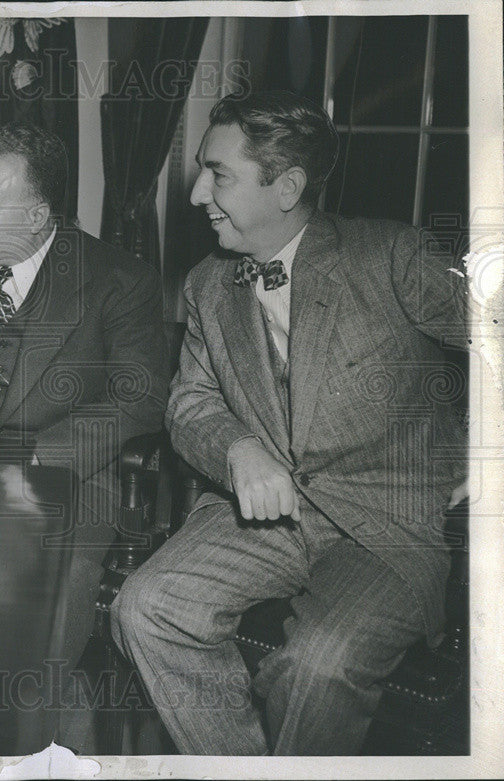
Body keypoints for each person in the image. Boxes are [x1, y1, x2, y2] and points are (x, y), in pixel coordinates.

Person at [110, 91, 469, 755]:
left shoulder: (392, 257)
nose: (197, 196)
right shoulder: (206, 285)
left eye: (218, 174)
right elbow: (190, 403)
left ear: (287, 187)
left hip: (383, 524)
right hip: (257, 517)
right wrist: (239, 449)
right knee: (146, 608)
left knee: (318, 667)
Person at [0, 122, 170, 749]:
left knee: (29, 651)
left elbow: (141, 396)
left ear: (39, 213)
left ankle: (21, 749)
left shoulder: (119, 279)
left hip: (66, 487)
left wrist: (35, 455)